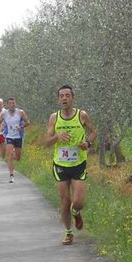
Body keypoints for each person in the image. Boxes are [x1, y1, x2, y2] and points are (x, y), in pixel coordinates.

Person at [45, 85, 97, 245]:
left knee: (78, 201)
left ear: (72, 98)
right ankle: (68, 233)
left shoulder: (82, 115)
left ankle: (76, 212)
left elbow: (94, 132)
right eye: (61, 96)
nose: (64, 98)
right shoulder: (54, 117)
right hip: (60, 164)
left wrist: (87, 143)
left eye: (68, 95)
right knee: (65, 201)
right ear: (58, 99)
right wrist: (57, 137)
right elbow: (46, 142)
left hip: (78, 163)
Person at [3, 97, 30, 183]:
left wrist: (21, 126)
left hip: (18, 137)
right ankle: (11, 175)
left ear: (16, 104)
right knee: (10, 155)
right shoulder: (4, 113)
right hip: (9, 136)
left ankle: (14, 155)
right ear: (7, 104)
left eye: (13, 103)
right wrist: (0, 126)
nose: (12, 105)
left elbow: (27, 122)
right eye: (10, 103)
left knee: (18, 157)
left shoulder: (20, 112)